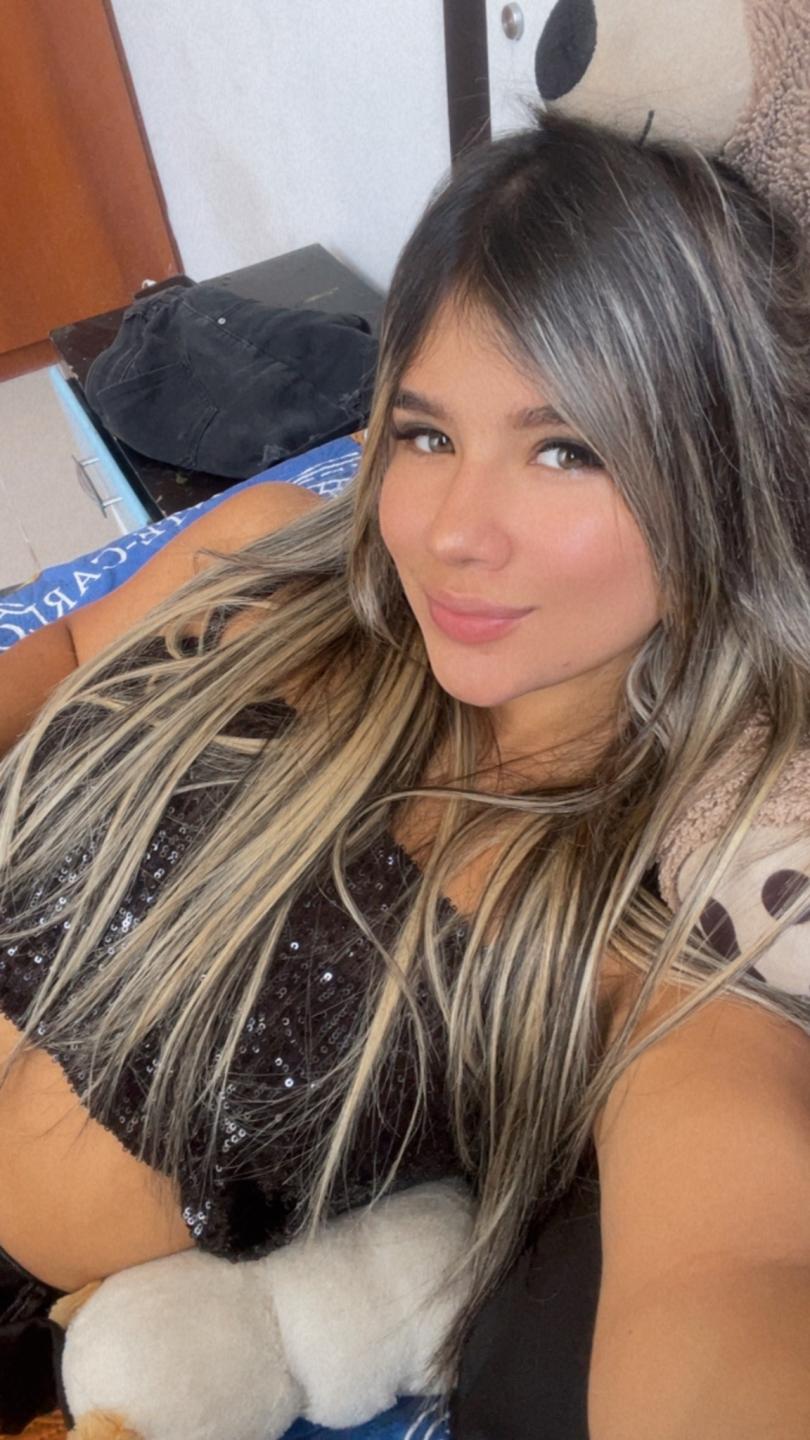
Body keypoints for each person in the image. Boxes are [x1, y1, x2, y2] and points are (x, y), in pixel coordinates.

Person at [1, 104, 810, 1440]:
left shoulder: (625, 952)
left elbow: (730, 1276)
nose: (448, 531)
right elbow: (61, 651)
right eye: (427, 434)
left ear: (724, 472)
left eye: (565, 449)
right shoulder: (262, 559)